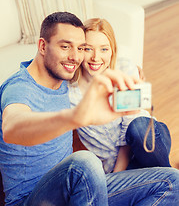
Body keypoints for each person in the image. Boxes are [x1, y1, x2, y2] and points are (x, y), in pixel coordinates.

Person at [0, 12, 178, 206]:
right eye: (65, 46)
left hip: (76, 189)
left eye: (80, 48)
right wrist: (76, 117)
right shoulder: (19, 88)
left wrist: (129, 71)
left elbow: (98, 61)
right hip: (33, 199)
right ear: (42, 46)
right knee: (85, 162)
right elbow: (12, 127)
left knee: (173, 181)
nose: (74, 56)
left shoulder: (64, 79)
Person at [69, 18, 171, 173]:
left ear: (112, 50)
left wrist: (119, 174)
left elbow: (129, 129)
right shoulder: (70, 91)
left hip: (146, 143)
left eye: (104, 49)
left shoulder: (124, 68)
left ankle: (171, 178)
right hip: (112, 167)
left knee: (136, 127)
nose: (96, 57)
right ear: (80, 50)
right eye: (88, 49)